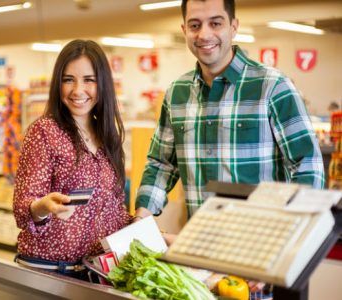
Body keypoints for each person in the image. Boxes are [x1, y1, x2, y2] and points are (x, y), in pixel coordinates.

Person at [134, 0, 325, 238]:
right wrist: (141, 217)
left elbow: (307, 164)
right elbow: (162, 163)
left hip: (264, 245)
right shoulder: (177, 93)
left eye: (215, 23)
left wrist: (293, 235)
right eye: (195, 25)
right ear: (184, 30)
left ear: (233, 27)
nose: (204, 34)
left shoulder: (273, 86)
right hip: (202, 243)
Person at [13, 39, 130, 279]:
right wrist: (43, 207)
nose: (78, 90)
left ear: (103, 84)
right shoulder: (44, 131)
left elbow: (114, 211)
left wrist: (145, 227)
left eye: (89, 80)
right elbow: (22, 210)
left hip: (94, 271)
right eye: (68, 80)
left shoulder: (108, 136)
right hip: (48, 271)